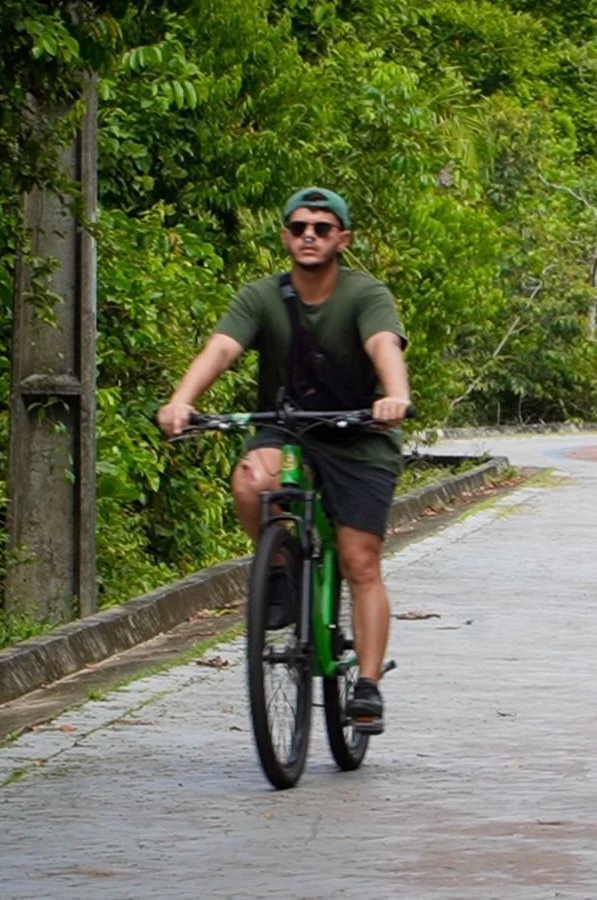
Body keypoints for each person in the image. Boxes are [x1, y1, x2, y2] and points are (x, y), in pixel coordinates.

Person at [157, 187, 411, 733]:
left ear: (343, 238)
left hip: (359, 430)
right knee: (251, 482)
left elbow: (384, 345)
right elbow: (222, 348)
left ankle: (366, 686)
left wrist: (393, 395)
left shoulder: (365, 294)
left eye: (322, 228)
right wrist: (183, 400)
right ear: (285, 236)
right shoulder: (262, 296)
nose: (309, 236)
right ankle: (282, 573)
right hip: (288, 424)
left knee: (359, 560)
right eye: (298, 228)